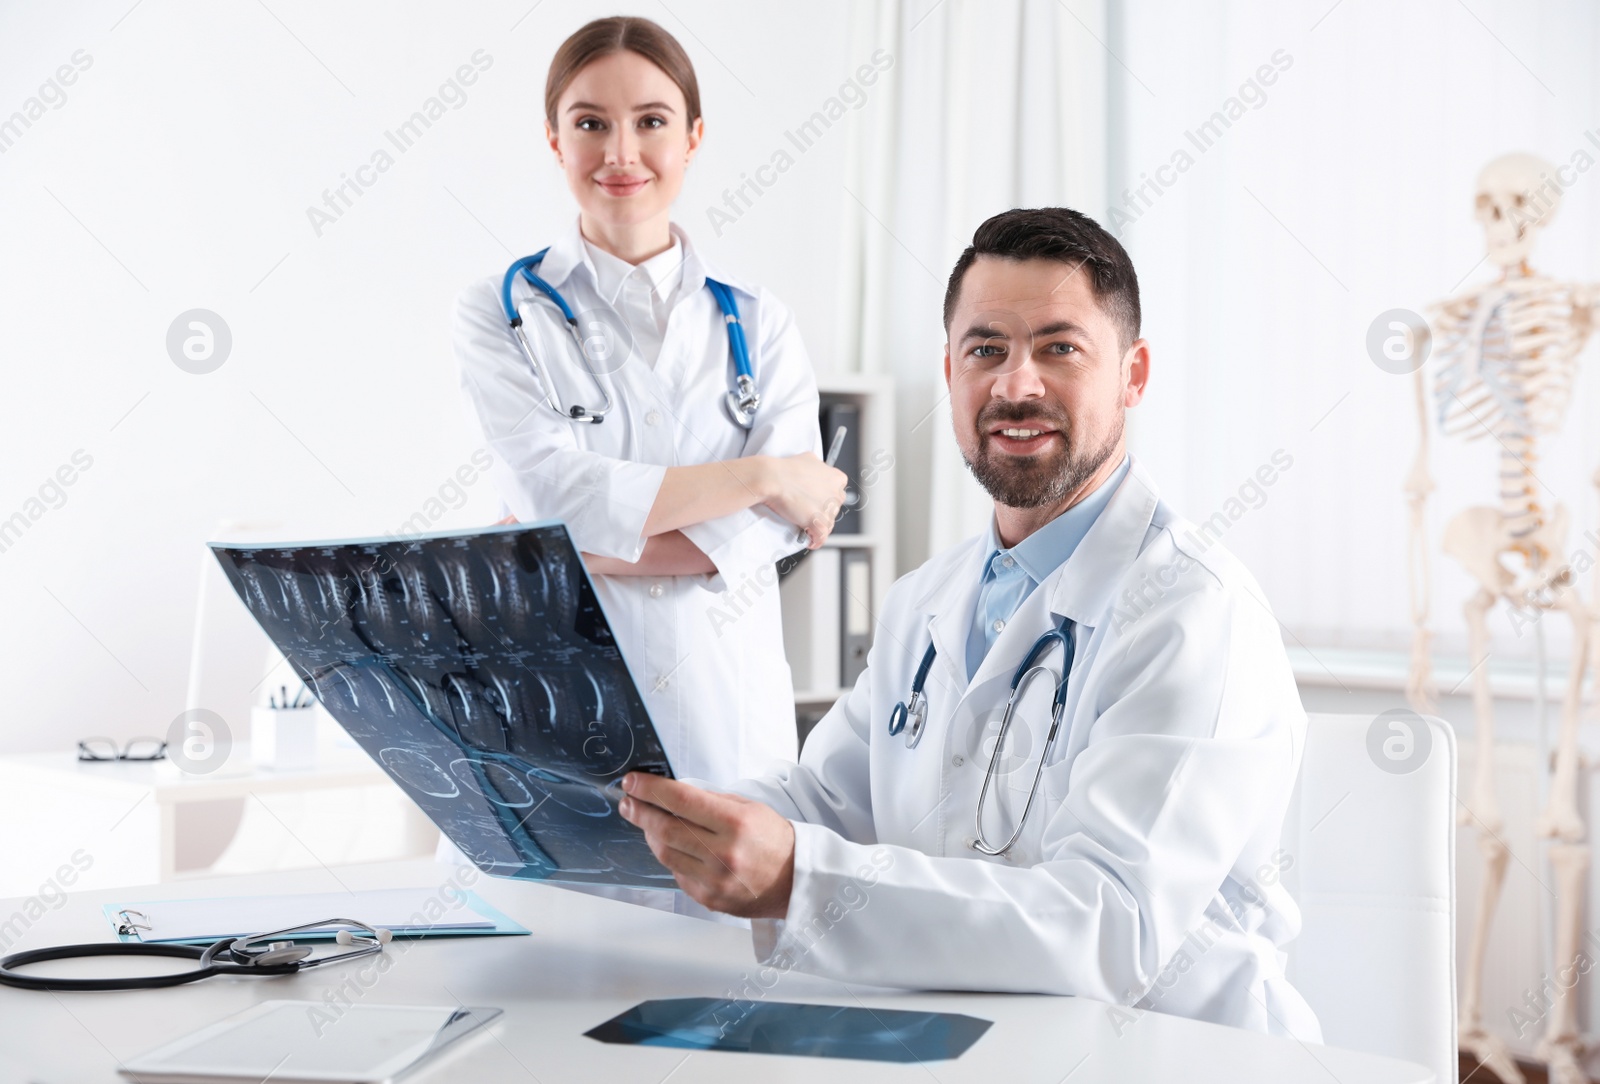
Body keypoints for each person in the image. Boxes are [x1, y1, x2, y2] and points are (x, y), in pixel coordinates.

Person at [618, 207, 1323, 1042]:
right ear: (950, 372)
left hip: (1175, 1053)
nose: (1015, 386)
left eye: (1060, 348)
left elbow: (1111, 927)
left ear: (1133, 375)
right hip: (969, 1038)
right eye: (986, 350)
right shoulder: (927, 598)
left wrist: (798, 878)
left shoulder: (1193, 615)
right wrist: (662, 815)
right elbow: (824, 802)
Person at [453, 16, 846, 793]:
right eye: (591, 123)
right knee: (558, 905)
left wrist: (573, 553)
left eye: (651, 122)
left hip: (726, 726)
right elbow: (546, 490)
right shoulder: (501, 312)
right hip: (555, 711)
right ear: (554, 139)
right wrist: (764, 474)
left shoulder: (759, 321)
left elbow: (770, 532)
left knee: (730, 900)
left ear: (694, 137)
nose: (621, 152)